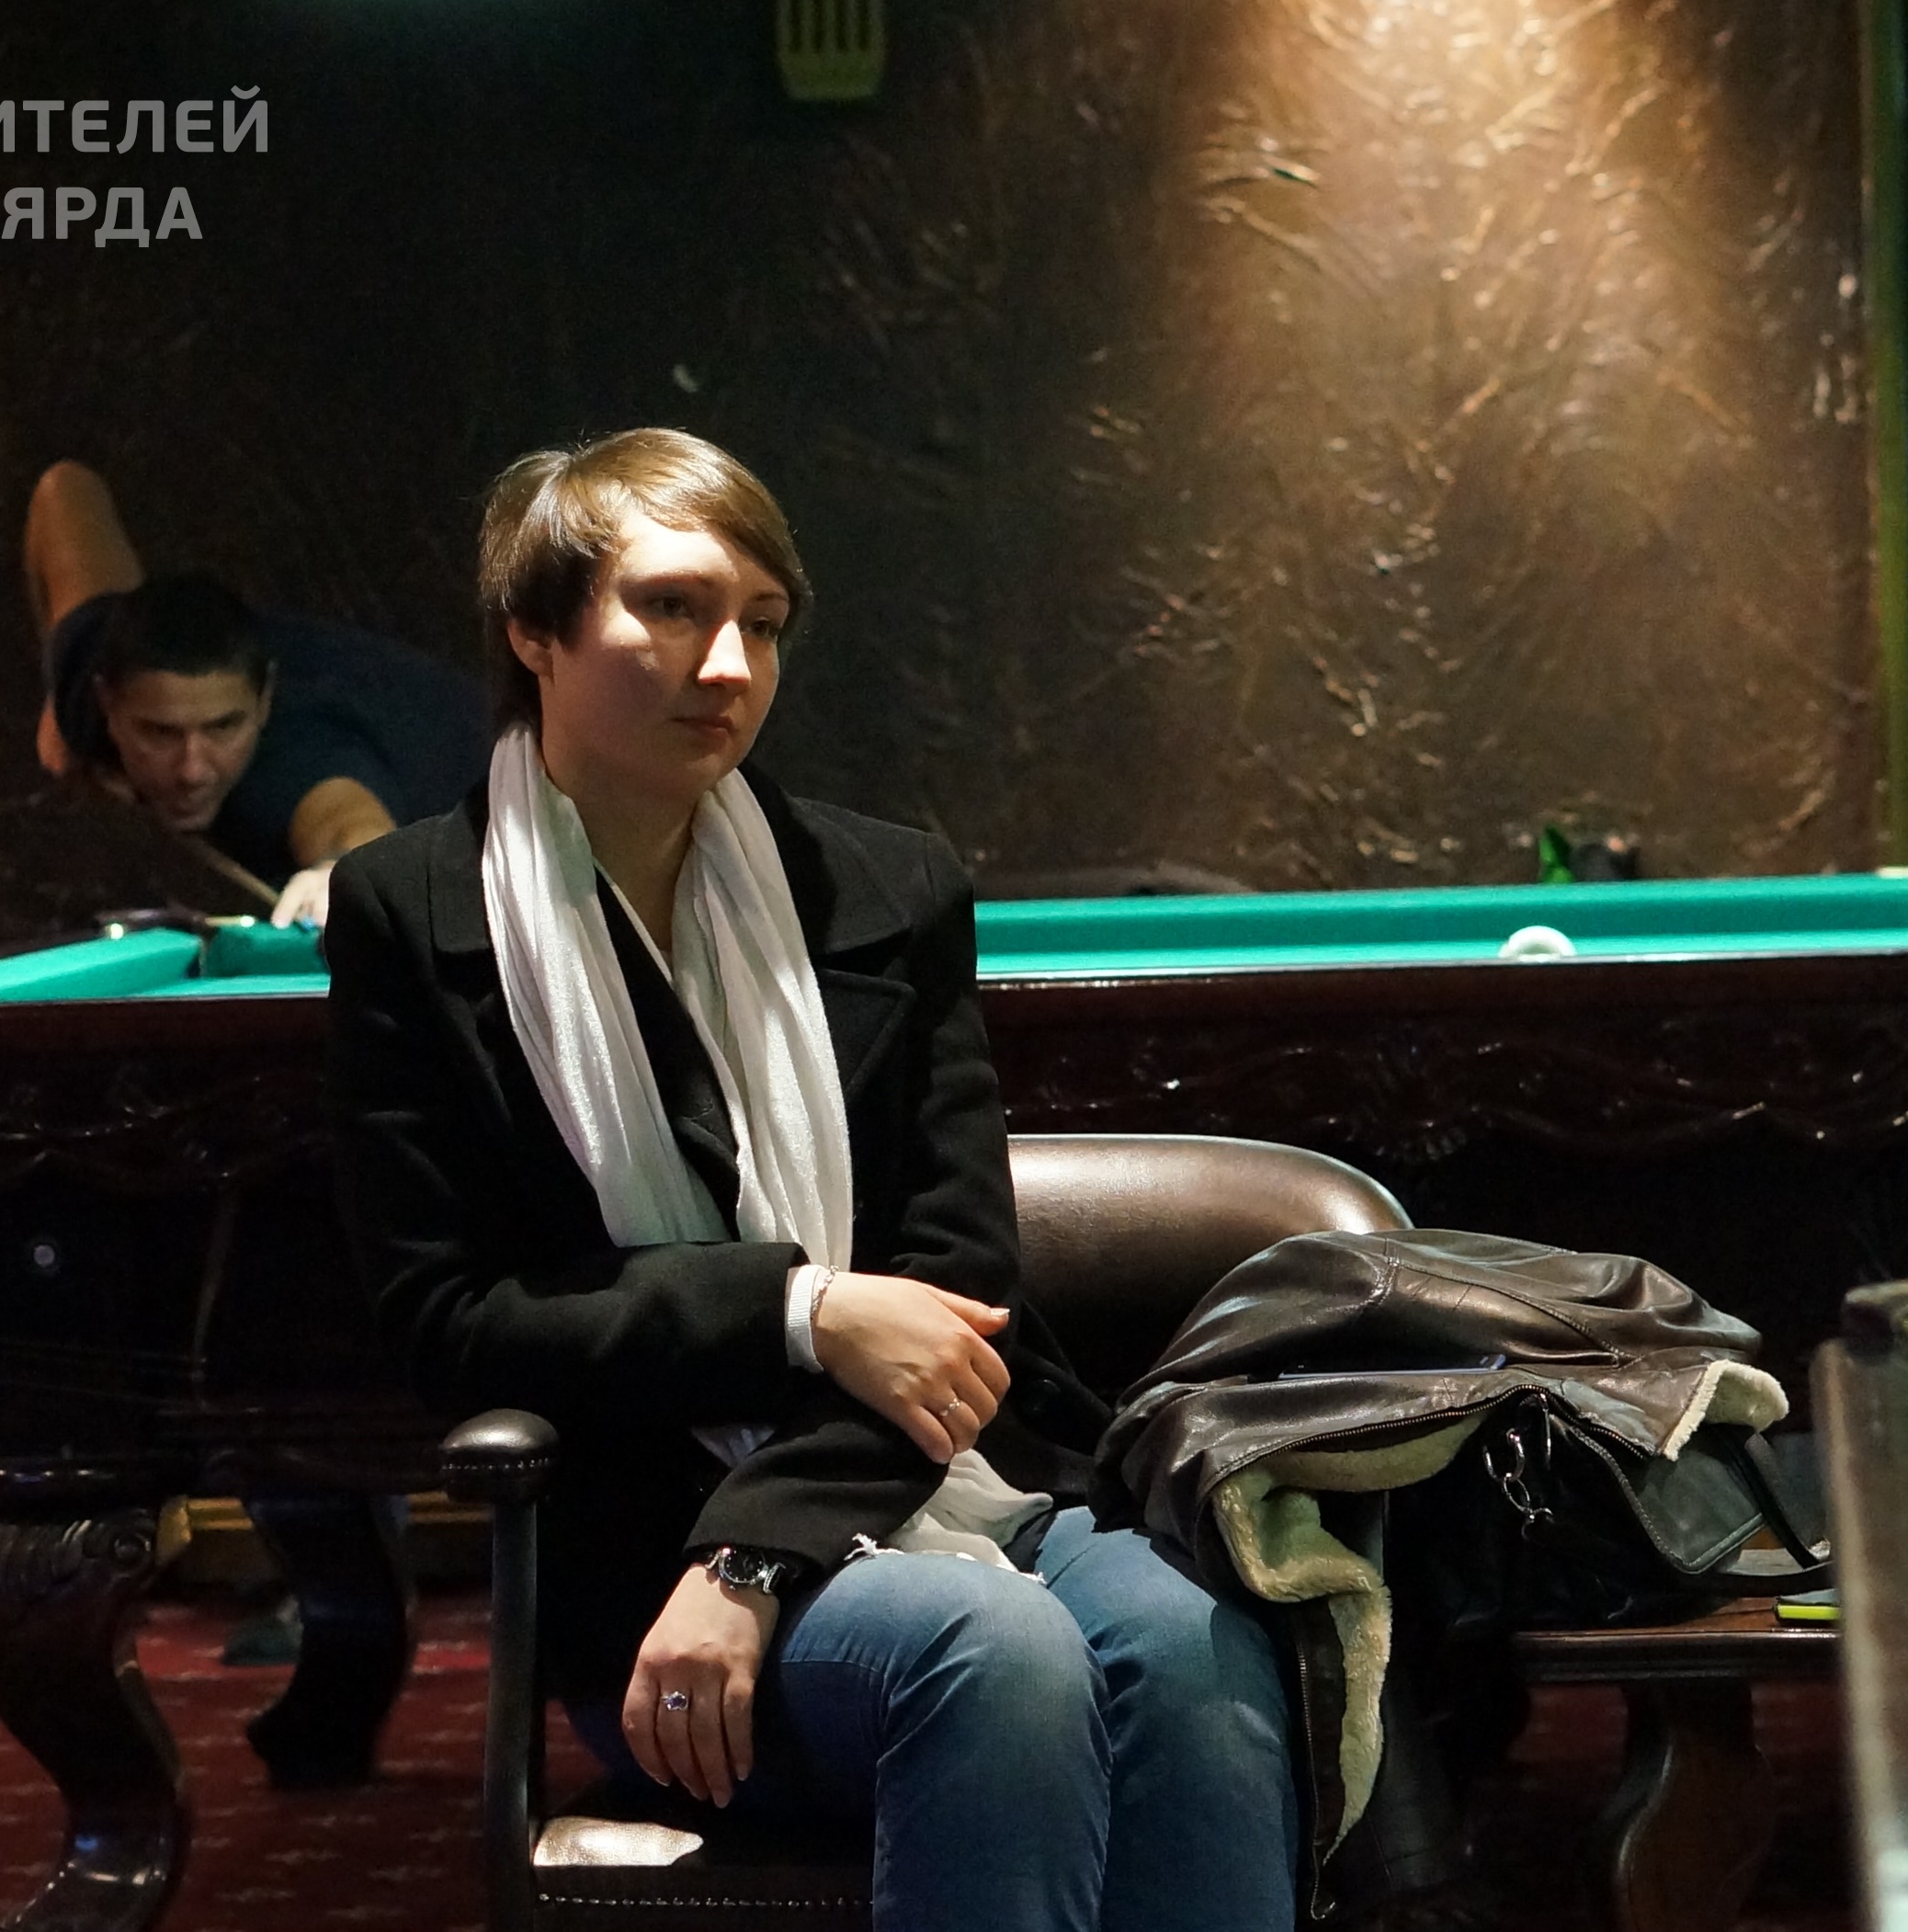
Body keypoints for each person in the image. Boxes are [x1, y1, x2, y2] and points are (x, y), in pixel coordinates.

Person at [324, 430, 1298, 1932]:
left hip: (926, 1488)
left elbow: (956, 1285)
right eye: (671, 608)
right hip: (639, 1558)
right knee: (994, 1648)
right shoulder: (411, 911)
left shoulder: (888, 886)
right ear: (534, 631)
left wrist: (759, 1549)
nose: (728, 665)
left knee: (1191, 1637)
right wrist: (800, 1309)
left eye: (763, 622)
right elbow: (452, 1317)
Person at [21, 460, 488, 927]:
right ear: (107, 702)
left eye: (224, 726)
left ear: (264, 702)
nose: (192, 770)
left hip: (494, 790)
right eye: (160, 732)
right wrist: (57, 700)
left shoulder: (297, 759)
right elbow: (65, 489)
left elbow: (347, 828)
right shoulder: (87, 658)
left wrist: (343, 875)